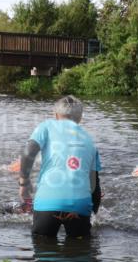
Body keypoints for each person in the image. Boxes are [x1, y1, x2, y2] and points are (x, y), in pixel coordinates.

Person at [18, 95, 102, 237]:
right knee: (79, 253)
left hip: (47, 203)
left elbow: (28, 153)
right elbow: (94, 187)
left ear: (55, 114)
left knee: (43, 251)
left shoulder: (47, 126)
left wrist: (24, 182)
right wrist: (92, 215)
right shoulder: (90, 140)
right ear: (80, 118)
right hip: (80, 207)